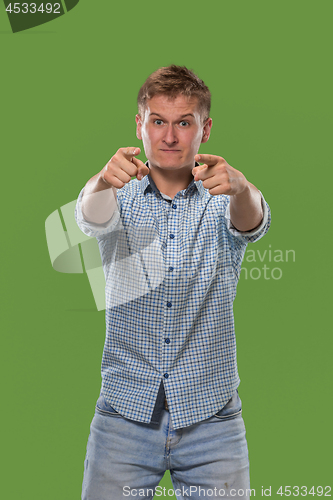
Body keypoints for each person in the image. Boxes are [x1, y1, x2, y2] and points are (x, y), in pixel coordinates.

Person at [75, 65, 271, 500]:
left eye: (184, 122)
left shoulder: (226, 196)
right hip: (123, 417)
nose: (169, 136)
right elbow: (89, 214)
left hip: (211, 419)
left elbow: (253, 221)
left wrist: (242, 188)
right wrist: (103, 180)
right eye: (158, 121)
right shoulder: (116, 193)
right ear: (140, 125)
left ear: (205, 129)